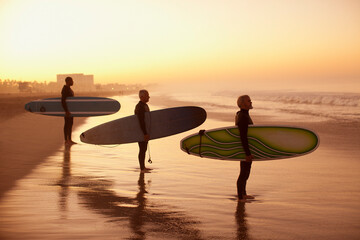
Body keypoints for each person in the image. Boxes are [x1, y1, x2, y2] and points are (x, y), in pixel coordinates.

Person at [235, 95, 254, 201]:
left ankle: (243, 193)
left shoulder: (242, 114)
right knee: (244, 172)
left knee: (246, 171)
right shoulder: (242, 117)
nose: (251, 102)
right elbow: (243, 136)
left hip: (245, 148)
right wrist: (247, 153)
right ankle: (241, 196)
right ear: (242, 104)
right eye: (248, 101)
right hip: (245, 149)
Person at [135, 90, 151, 172]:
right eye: (147, 95)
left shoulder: (144, 105)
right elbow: (141, 121)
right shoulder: (140, 107)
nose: (149, 97)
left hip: (144, 131)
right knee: (142, 149)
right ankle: (142, 168)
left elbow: (147, 120)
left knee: (143, 149)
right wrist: (144, 133)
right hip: (141, 131)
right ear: (142, 97)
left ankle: (143, 167)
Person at [61, 77, 76, 145]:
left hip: (70, 111)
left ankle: (69, 139)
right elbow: (63, 101)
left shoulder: (69, 89)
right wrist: (66, 111)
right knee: (67, 124)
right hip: (67, 111)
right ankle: (66, 140)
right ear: (68, 81)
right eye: (71, 81)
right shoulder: (65, 89)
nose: (73, 82)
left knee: (70, 124)